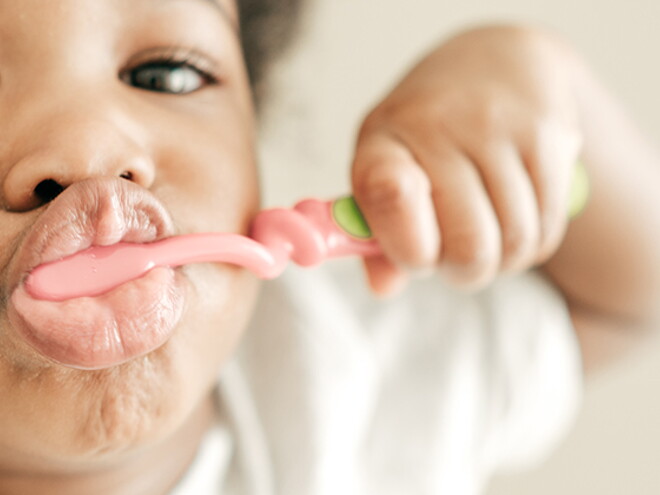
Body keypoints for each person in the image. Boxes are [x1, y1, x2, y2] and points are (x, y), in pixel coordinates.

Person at [0, 0, 658, 494]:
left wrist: (544, 78)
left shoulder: (348, 368)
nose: (87, 149)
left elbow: (627, 300)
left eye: (167, 74)